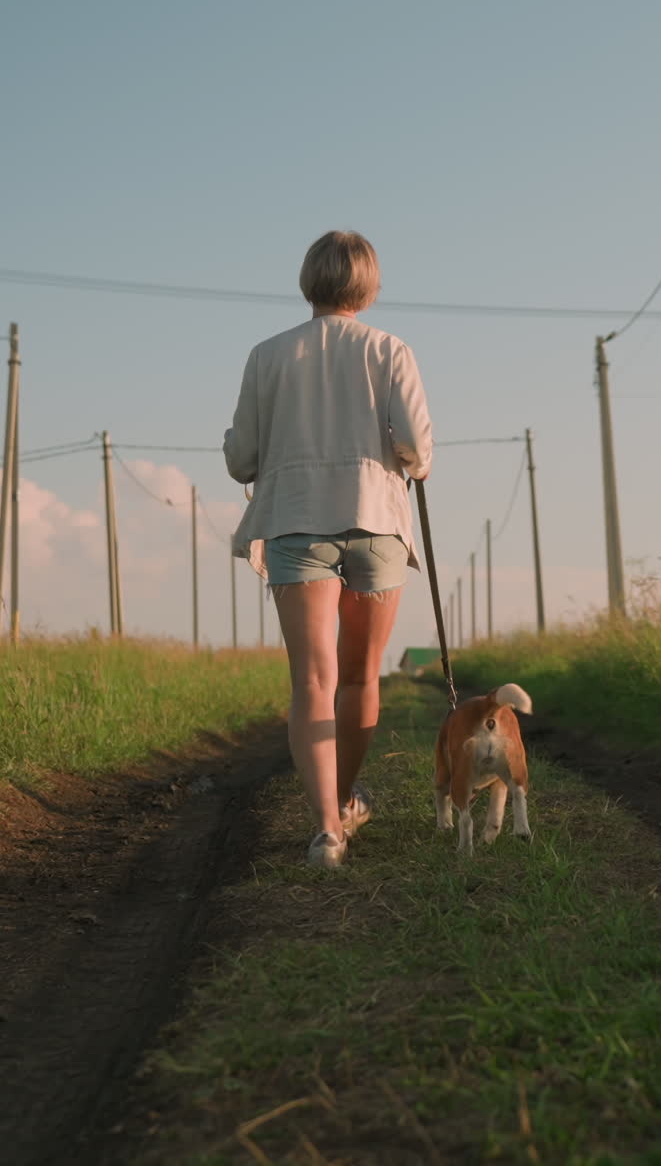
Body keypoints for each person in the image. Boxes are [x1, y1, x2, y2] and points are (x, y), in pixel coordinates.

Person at [224, 230, 432, 867]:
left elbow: (242, 461)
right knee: (360, 676)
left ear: (308, 280)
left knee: (312, 681)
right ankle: (344, 799)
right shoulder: (389, 349)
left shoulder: (267, 355)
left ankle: (326, 833)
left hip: (294, 522)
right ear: (367, 285)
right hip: (375, 521)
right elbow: (418, 451)